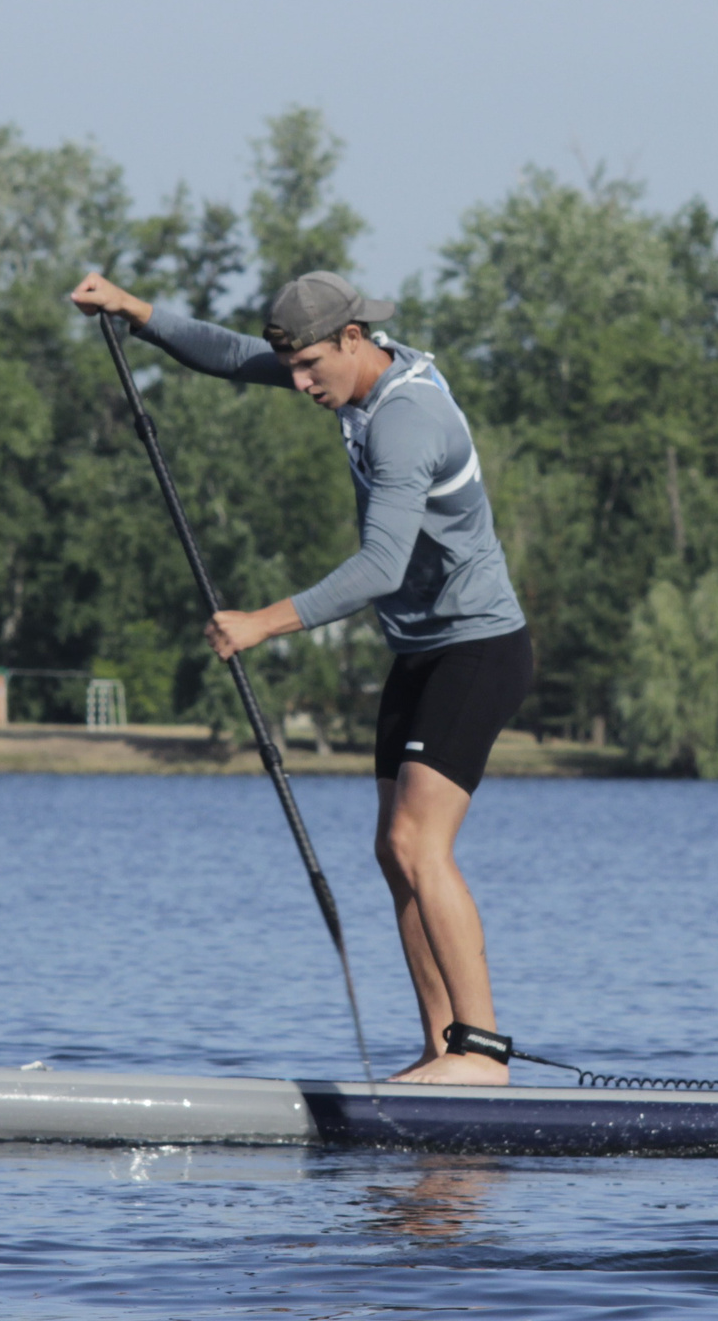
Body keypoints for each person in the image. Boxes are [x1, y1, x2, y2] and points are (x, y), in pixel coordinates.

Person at [70, 268, 535, 1085]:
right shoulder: (349, 377)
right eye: (294, 368)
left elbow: (383, 566)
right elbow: (233, 354)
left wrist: (260, 621)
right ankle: (441, 1050)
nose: (298, 382)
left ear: (354, 340)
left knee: (421, 843)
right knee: (394, 851)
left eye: (310, 365)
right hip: (421, 650)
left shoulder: (407, 420)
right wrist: (136, 312)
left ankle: (481, 1055)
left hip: (478, 646)